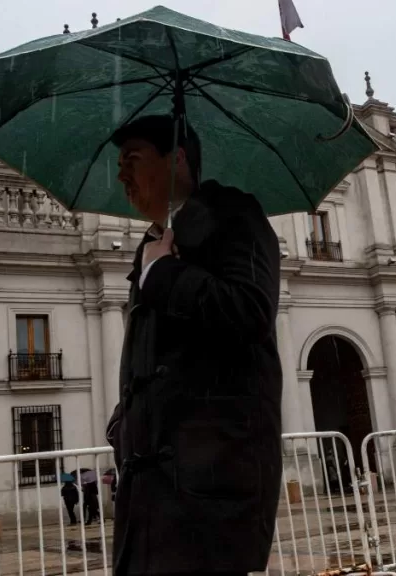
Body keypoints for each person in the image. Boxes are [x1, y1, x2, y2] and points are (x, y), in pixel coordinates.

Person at [105, 114, 283, 576]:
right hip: (148, 498)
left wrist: (165, 273)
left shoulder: (235, 215)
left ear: (178, 158)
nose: (121, 173)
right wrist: (123, 425)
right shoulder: (152, 244)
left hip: (209, 501)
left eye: (133, 159)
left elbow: (251, 312)